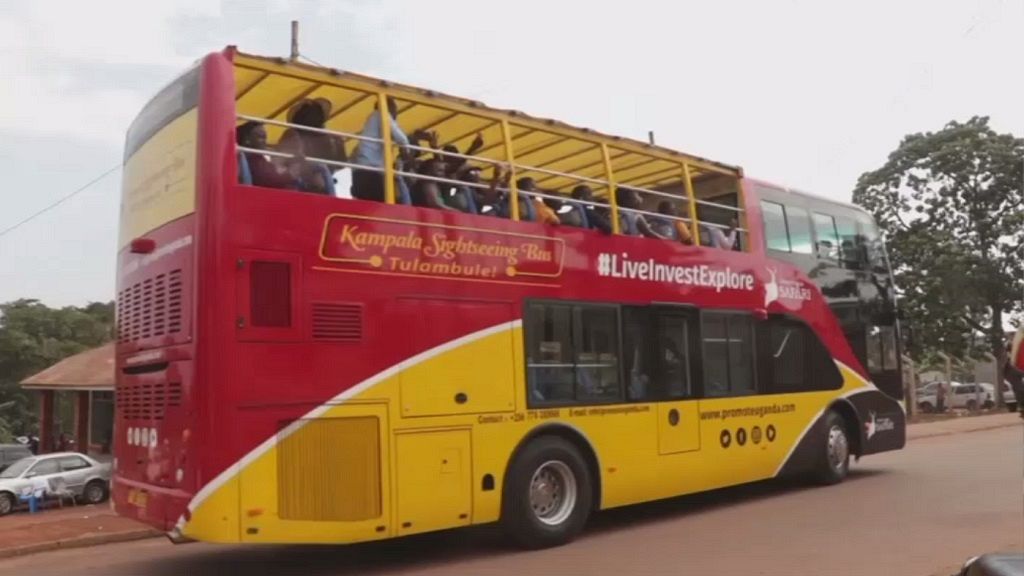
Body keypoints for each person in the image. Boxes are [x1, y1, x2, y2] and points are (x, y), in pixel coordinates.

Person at [350, 96, 423, 202]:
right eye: (395, 111)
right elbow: (401, 138)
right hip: (372, 172)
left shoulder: (370, 127)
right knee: (379, 206)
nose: (395, 116)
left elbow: (353, 155)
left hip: (360, 172)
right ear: (389, 108)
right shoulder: (381, 114)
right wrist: (406, 151)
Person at [282, 98, 346, 170]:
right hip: (308, 177)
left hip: (319, 176)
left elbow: (340, 165)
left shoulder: (332, 139)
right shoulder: (291, 134)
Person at [236, 121, 301, 190]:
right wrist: (290, 174)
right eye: (261, 137)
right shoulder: (251, 157)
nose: (265, 142)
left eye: (265, 138)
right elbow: (269, 178)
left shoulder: (257, 158)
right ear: (247, 140)